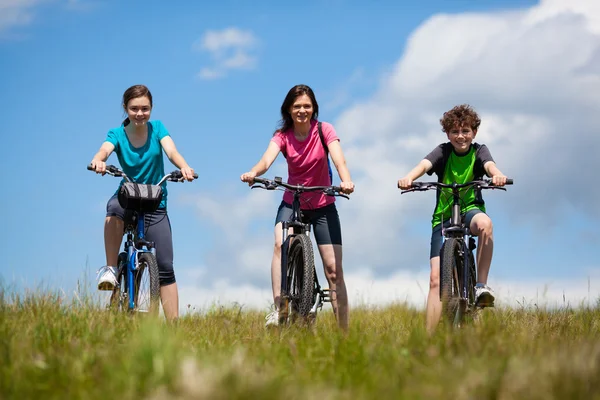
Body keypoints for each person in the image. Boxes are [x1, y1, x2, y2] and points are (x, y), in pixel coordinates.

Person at [240, 84, 354, 330]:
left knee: (334, 271)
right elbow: (266, 160)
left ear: (313, 109)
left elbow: (338, 158)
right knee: (280, 244)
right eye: (297, 106)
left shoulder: (324, 130)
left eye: (307, 106)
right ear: (289, 110)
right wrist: (253, 172)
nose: (302, 110)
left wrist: (345, 180)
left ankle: (345, 335)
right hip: (293, 202)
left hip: (323, 203)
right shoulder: (282, 136)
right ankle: (280, 309)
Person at [397, 104, 507, 333]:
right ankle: (429, 337)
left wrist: (497, 176)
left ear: (474, 132)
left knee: (485, 224)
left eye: (466, 131)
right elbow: (424, 165)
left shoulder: (479, 151)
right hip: (444, 218)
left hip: (470, 210)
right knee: (435, 281)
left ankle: (480, 286)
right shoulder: (443, 152)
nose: (460, 136)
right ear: (447, 134)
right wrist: (408, 178)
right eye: (455, 132)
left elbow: (490, 166)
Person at [89, 84, 195, 321]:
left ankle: (174, 328)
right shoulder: (116, 134)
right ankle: (111, 269)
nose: (140, 114)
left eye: (145, 109)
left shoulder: (158, 129)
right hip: (128, 198)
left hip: (155, 202)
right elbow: (104, 151)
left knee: (166, 265)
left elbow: (172, 151)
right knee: (113, 209)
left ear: (151, 109)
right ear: (125, 109)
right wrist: (98, 160)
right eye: (134, 108)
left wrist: (184, 166)